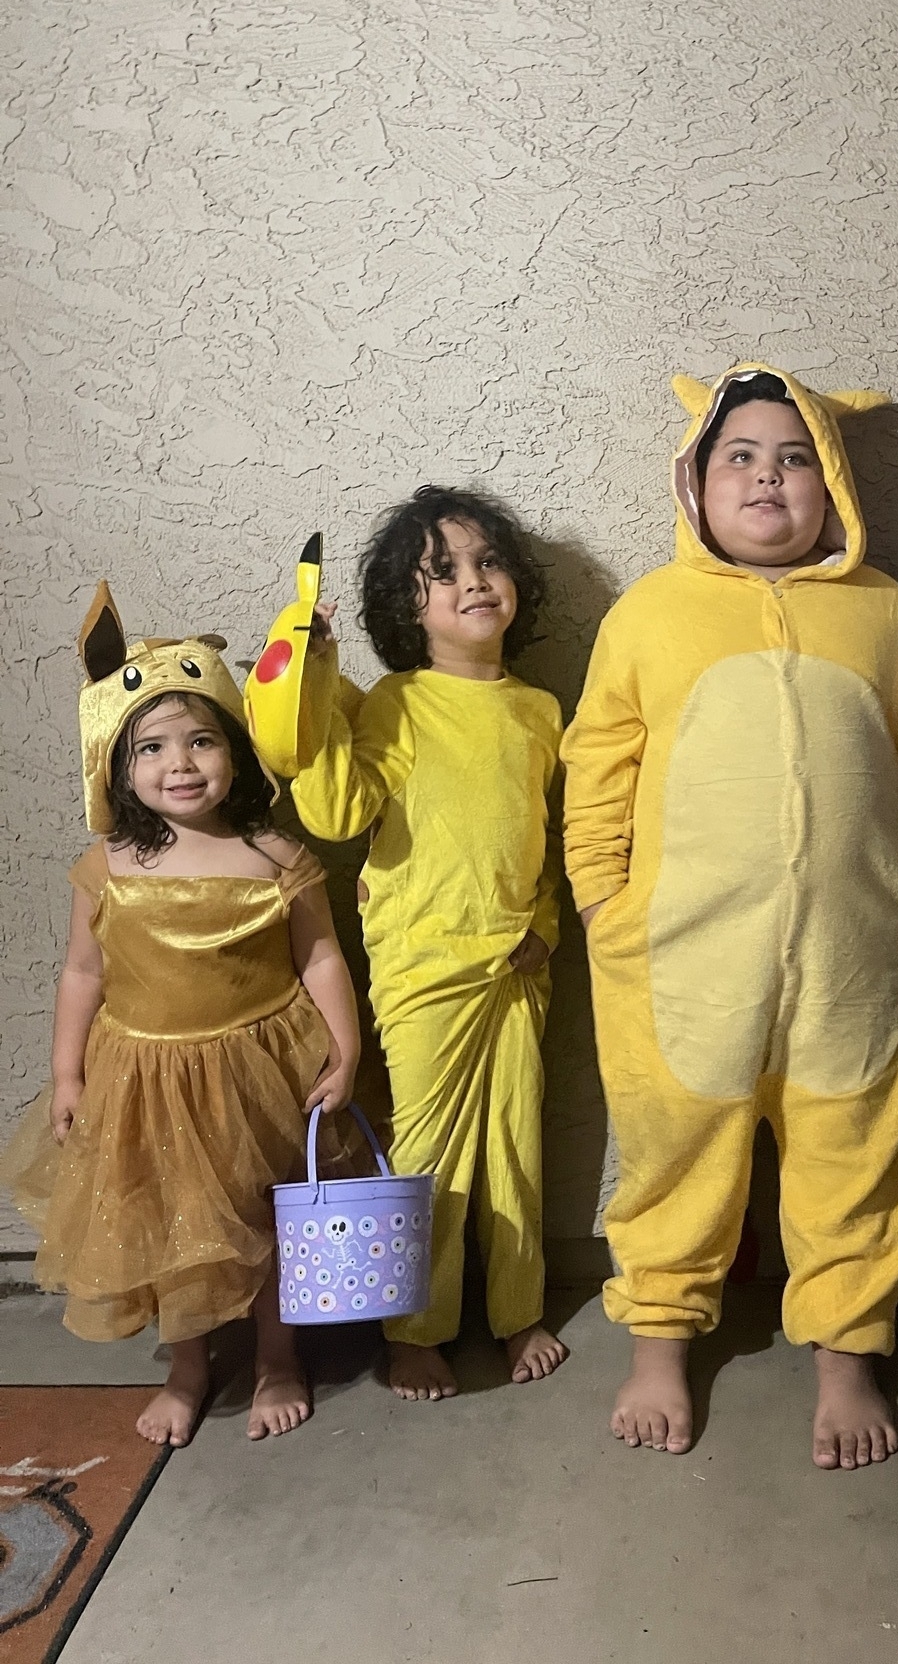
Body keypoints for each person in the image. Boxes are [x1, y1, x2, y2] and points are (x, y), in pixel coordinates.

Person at [562, 365, 898, 1469]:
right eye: (740, 455)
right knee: (675, 1146)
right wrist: (603, 897)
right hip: (683, 955)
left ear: (832, 484)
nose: (768, 477)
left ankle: (847, 1353)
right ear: (697, 483)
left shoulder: (886, 609)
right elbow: (598, 761)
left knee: (859, 1148)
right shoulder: (650, 610)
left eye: (795, 457)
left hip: (863, 956)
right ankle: (659, 1342)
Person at [2, 586, 361, 1447]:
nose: (183, 763)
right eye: (154, 747)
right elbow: (82, 972)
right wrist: (67, 1072)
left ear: (236, 750)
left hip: (262, 1068)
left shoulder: (273, 854)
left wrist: (345, 1051)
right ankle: (190, 1364)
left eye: (202, 739)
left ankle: (279, 1353)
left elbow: (321, 958)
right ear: (118, 770)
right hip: (145, 1077)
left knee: (273, 1214)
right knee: (170, 1227)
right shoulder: (110, 864)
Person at [289, 486, 568, 1401]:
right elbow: (336, 810)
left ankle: (518, 1310)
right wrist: (317, 687)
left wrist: (546, 924)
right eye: (441, 573)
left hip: (518, 966)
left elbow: (549, 838)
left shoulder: (540, 711)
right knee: (430, 1151)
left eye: (488, 562)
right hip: (423, 969)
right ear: (404, 609)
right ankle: (414, 1329)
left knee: (517, 1143)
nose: (473, 582)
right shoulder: (396, 704)